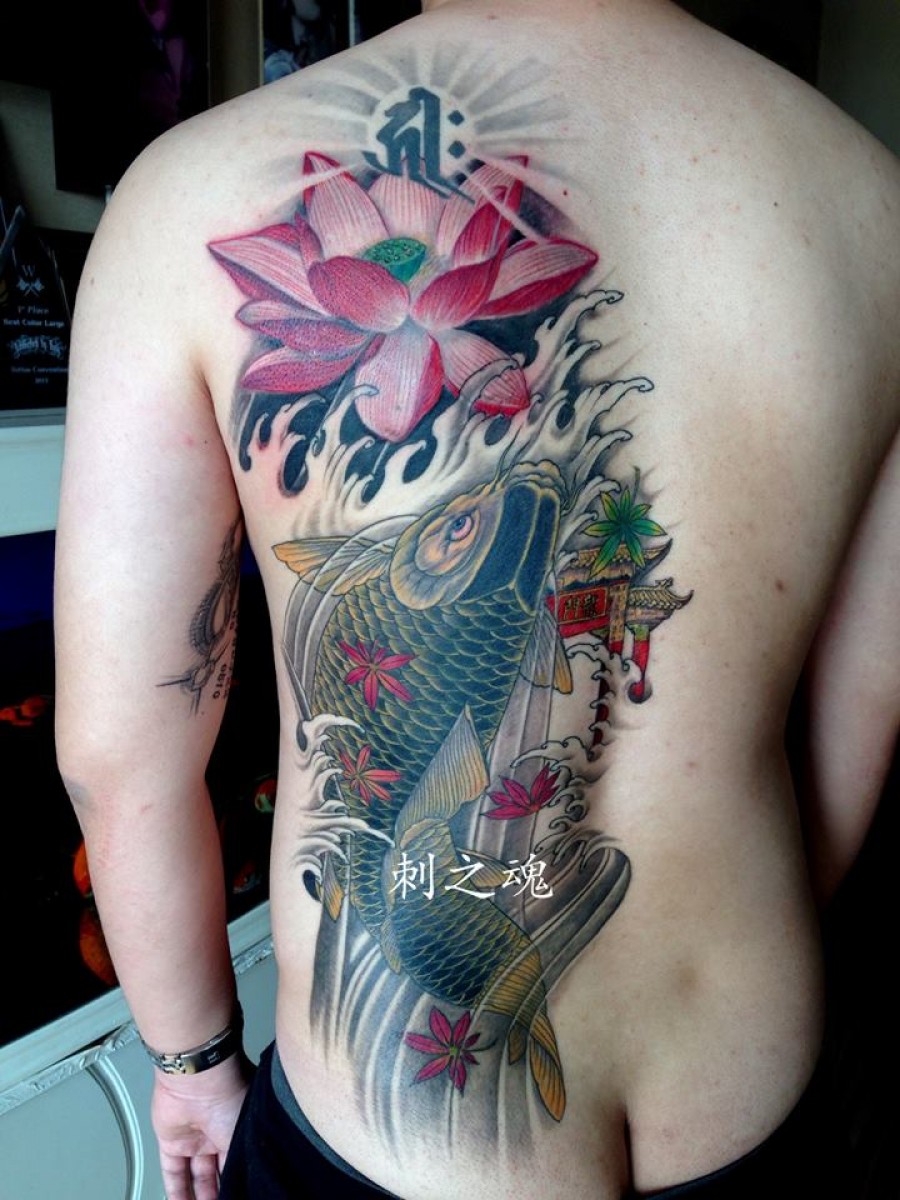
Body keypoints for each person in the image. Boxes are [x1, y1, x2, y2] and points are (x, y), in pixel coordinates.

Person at [54, 1, 900, 1197]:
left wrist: (194, 1064)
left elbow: (118, 759)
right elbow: (860, 714)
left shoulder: (193, 196)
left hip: (400, 1138)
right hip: (756, 1094)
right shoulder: (872, 202)